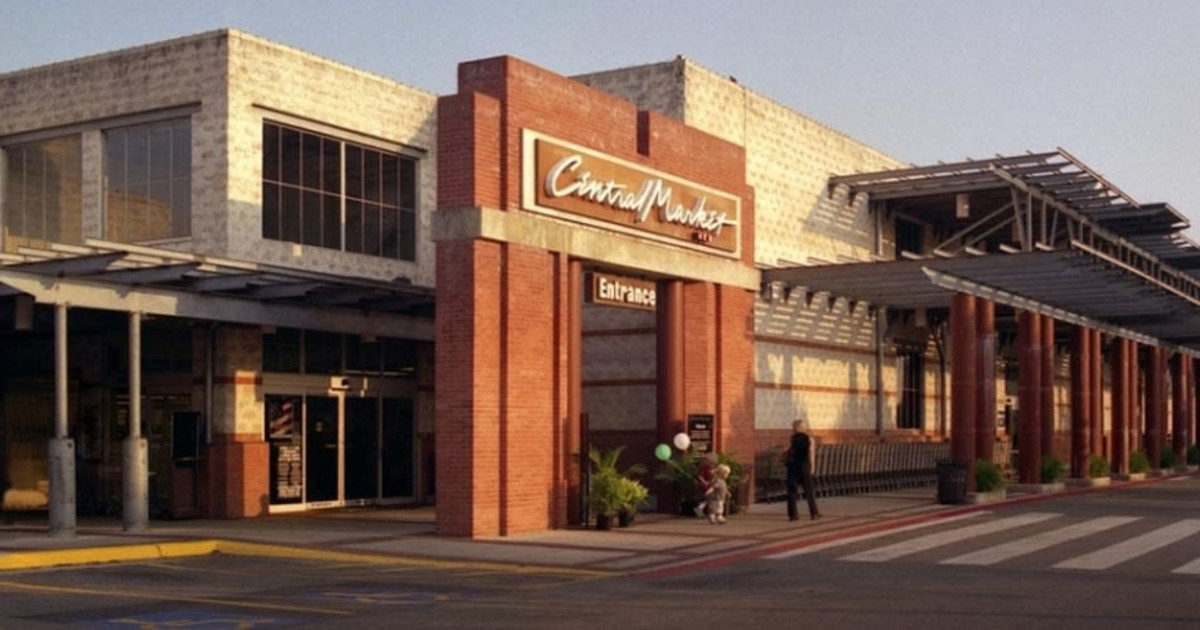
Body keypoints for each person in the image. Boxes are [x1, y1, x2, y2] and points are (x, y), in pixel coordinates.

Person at [785, 419, 821, 521]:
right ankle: (814, 513)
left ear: (794, 428)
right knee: (809, 491)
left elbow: (788, 450)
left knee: (792, 491)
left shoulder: (792, 438)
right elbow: (811, 454)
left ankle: (793, 515)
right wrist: (812, 467)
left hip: (793, 466)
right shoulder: (809, 439)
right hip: (804, 466)